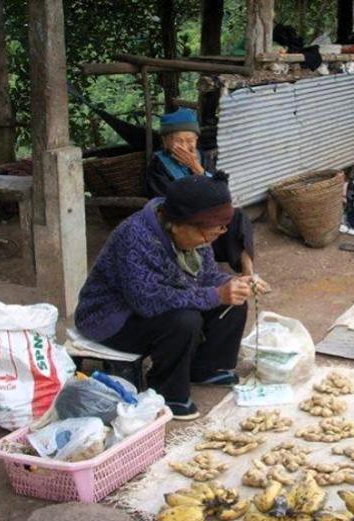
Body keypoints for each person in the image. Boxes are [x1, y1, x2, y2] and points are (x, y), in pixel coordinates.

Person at [74, 175, 268, 420]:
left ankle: (204, 368)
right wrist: (215, 294)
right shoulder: (134, 238)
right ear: (177, 225)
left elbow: (207, 275)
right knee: (184, 321)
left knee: (233, 301)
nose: (209, 241)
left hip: (152, 305)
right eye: (206, 235)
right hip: (113, 318)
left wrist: (232, 283)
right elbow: (147, 300)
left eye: (216, 233)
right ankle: (168, 392)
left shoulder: (194, 231)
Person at [146, 107, 255, 276]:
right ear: (165, 142)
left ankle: (248, 272)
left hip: (209, 213)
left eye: (190, 140)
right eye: (178, 141)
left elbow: (222, 191)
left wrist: (196, 168)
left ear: (196, 140)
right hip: (183, 218)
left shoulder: (202, 158)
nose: (185, 146)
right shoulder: (158, 165)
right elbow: (163, 201)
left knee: (238, 216)